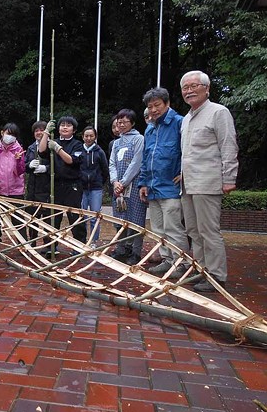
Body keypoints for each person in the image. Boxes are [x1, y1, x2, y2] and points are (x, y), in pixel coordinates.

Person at [180, 70, 239, 293]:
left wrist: (229, 178)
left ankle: (216, 275)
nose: (189, 90)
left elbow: (228, 146)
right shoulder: (186, 118)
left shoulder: (218, 112)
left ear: (207, 88)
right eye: (185, 87)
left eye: (194, 86)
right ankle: (202, 269)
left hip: (208, 181)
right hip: (187, 183)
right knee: (193, 230)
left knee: (208, 230)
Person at [138, 88, 189, 277]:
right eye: (150, 107)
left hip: (171, 187)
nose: (153, 110)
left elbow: (189, 150)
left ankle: (181, 262)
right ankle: (166, 260)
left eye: (157, 105)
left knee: (173, 227)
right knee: (158, 228)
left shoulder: (180, 123)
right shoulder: (150, 128)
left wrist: (185, 172)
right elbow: (146, 158)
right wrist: (143, 183)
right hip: (153, 186)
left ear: (167, 104)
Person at [38, 115, 86, 249]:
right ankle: (50, 247)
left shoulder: (77, 144)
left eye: (68, 125)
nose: (65, 127)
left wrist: (58, 149)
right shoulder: (53, 140)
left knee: (75, 217)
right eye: (62, 125)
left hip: (72, 186)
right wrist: (46, 132)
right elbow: (41, 151)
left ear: (74, 129)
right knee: (52, 216)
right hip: (55, 185)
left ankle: (79, 247)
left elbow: (71, 160)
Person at [109, 108, 147, 265]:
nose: (121, 125)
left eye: (125, 122)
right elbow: (112, 163)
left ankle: (136, 251)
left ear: (132, 123)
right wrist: (115, 182)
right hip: (118, 187)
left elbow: (137, 162)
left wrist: (123, 182)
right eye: (119, 122)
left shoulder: (139, 139)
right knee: (120, 218)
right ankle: (121, 248)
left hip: (134, 184)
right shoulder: (117, 142)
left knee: (136, 219)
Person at [80, 126, 109, 245]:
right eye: (86, 136)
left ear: (95, 137)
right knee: (81, 217)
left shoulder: (99, 152)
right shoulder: (78, 150)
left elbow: (105, 169)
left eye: (91, 136)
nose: (88, 138)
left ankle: (94, 241)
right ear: (82, 137)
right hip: (81, 188)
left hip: (96, 188)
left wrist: (99, 182)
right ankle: (81, 241)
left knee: (94, 217)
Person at [25, 121, 51, 250]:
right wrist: (29, 166)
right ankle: (32, 242)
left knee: (47, 218)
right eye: (36, 131)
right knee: (31, 217)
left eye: (42, 130)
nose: (39, 133)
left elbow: (58, 166)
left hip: (46, 188)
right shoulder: (30, 148)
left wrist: (46, 168)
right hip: (32, 188)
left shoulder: (51, 146)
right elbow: (24, 166)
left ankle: (47, 246)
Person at [0, 123, 26, 200]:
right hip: (0, 192)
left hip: (16, 192)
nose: (10, 137)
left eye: (13, 135)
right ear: (2, 133)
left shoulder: (19, 150)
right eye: (8, 134)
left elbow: (19, 172)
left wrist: (17, 160)